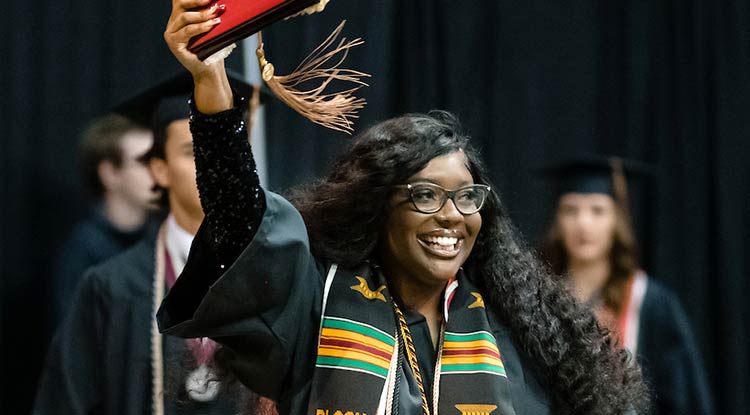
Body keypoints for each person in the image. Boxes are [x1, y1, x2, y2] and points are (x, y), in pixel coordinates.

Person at [156, 2, 649, 415]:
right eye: (426, 196)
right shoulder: (318, 303)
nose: (452, 216)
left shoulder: (514, 322)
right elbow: (240, 218)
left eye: (466, 197)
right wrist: (211, 81)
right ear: (378, 208)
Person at [33, 70, 265, 415]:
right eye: (193, 150)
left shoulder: (277, 275)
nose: (215, 165)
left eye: (228, 150)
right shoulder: (111, 288)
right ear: (159, 170)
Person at [539, 156, 715, 415]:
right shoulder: (539, 298)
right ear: (557, 220)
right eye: (571, 209)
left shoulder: (651, 302)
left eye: (597, 210)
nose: (583, 223)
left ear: (616, 220)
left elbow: (685, 398)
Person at [50, 114, 159, 321]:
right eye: (144, 162)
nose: (157, 173)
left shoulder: (164, 238)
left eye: (158, 160)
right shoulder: (84, 249)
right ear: (109, 173)